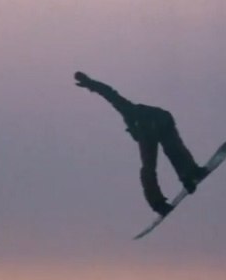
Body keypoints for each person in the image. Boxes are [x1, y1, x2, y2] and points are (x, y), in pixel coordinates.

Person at [74, 72, 209, 217]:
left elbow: (110, 94)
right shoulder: (140, 127)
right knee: (169, 153)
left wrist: (90, 83)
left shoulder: (129, 112)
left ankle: (181, 181)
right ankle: (185, 176)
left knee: (160, 159)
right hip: (163, 120)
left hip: (163, 121)